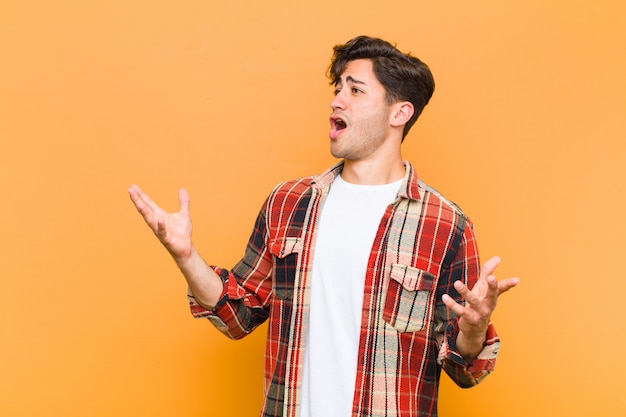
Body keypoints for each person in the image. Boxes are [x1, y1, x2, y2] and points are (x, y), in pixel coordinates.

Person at [128, 35, 519, 417]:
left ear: (399, 113)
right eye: (338, 87)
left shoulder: (445, 224)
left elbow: (464, 366)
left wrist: (474, 327)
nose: (337, 99)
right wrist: (186, 256)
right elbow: (238, 313)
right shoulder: (289, 202)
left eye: (356, 89)